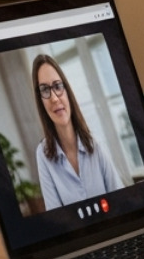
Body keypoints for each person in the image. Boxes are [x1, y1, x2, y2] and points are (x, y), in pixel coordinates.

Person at [32, 54, 125, 211]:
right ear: (40, 100)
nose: (54, 98)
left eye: (57, 86)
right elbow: (57, 218)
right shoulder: (43, 154)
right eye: (45, 90)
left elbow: (120, 200)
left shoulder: (94, 142)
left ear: (67, 90)